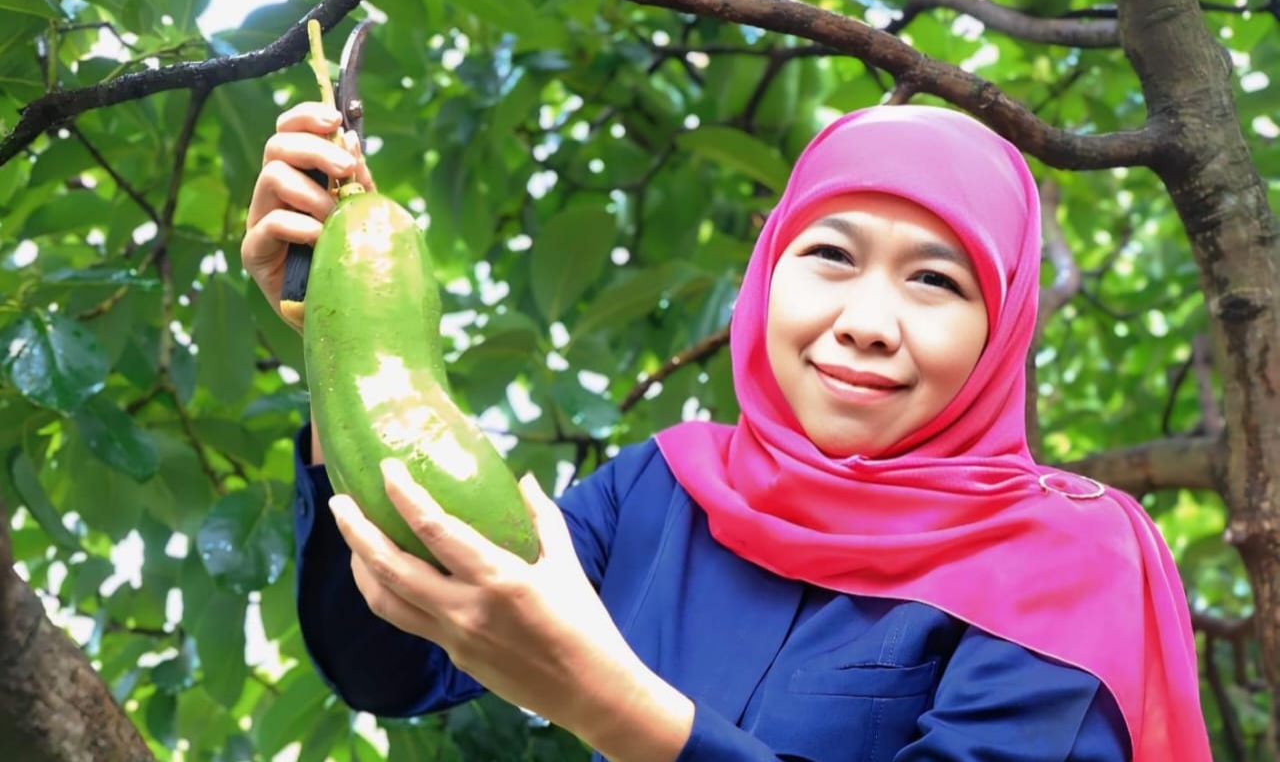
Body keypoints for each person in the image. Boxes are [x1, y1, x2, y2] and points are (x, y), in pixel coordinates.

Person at [242, 102, 1213, 762]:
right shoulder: (658, 492)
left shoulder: (1067, 558)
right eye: (829, 253)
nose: (867, 318)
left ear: (999, 328)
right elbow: (393, 657)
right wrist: (342, 325)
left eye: (934, 279)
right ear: (765, 273)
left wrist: (612, 705)